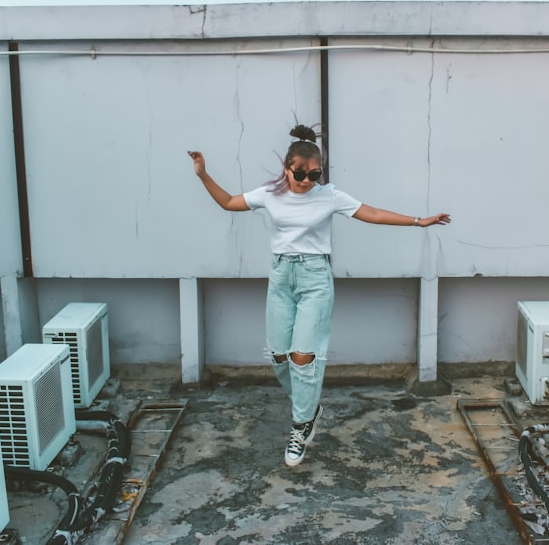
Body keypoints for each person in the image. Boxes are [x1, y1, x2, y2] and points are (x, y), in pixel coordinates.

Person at [189, 124, 451, 467]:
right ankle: (310, 408)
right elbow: (228, 202)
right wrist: (203, 174)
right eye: (301, 174)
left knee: (304, 357)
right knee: (279, 356)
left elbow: (370, 213)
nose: (307, 180)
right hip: (281, 277)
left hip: (315, 277)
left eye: (315, 174)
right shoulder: (270, 193)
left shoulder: (328, 195)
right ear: (287, 168)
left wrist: (419, 221)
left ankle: (300, 426)